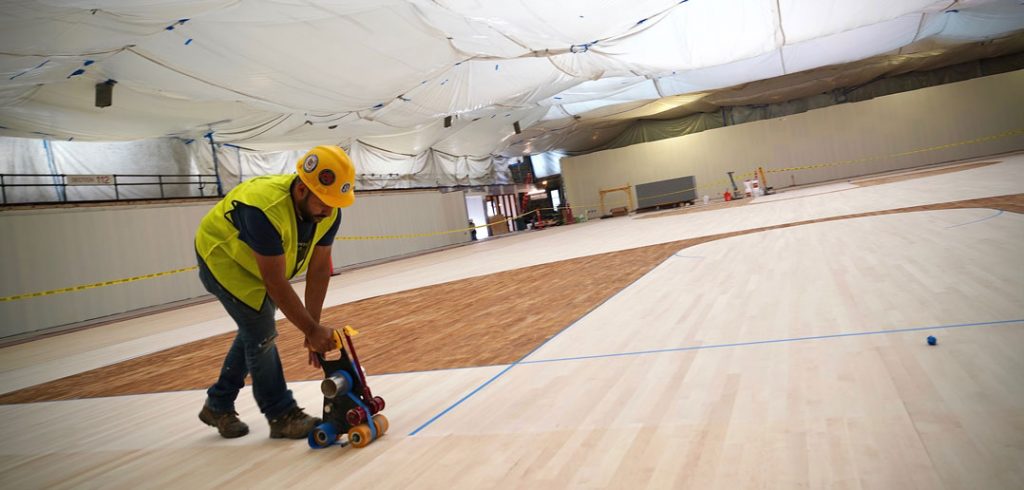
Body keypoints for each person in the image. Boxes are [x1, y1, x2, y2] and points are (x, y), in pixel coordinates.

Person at [194, 145, 356, 439]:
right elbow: (275, 281)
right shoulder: (261, 208)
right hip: (223, 262)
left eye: (336, 203)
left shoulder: (330, 213)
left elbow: (319, 270)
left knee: (254, 331)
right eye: (324, 201)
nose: (329, 210)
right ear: (303, 189)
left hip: (260, 269)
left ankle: (217, 404)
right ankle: (280, 414)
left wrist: (313, 328)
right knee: (261, 332)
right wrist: (309, 327)